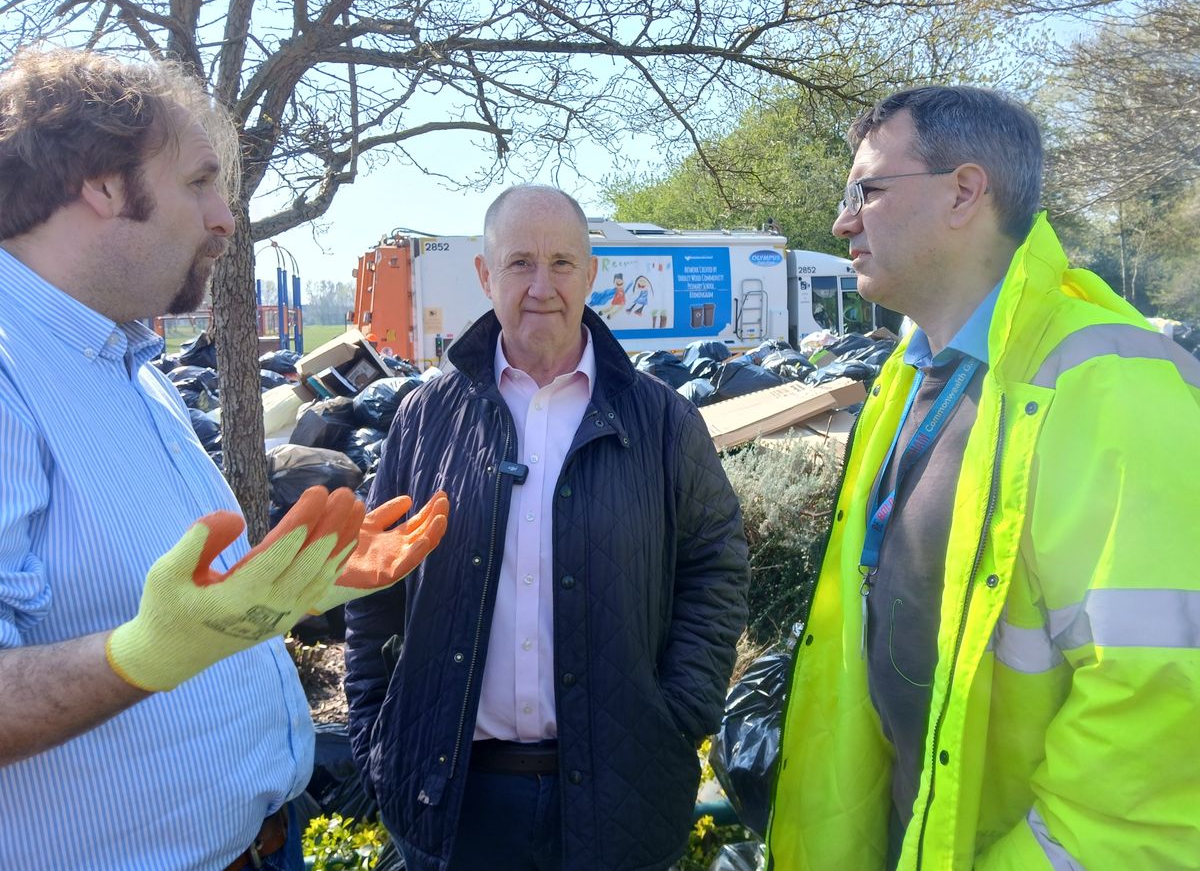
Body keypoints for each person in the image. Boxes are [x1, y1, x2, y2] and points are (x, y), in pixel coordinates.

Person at [0, 47, 448, 870]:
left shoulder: (130, 365)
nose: (225, 219)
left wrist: (276, 595)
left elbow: (163, 596)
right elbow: (152, 635)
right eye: (200, 182)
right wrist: (142, 655)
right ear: (102, 185)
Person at [766, 85, 1200, 869]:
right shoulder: (908, 377)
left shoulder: (1111, 384)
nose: (842, 223)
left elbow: (1161, 728)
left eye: (865, 191)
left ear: (965, 192)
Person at [344, 184, 749, 871]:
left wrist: (678, 714)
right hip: (453, 798)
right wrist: (375, 724)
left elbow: (716, 566)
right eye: (520, 263)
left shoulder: (660, 420)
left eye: (562, 263)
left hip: (619, 796)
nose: (542, 286)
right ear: (485, 275)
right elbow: (372, 578)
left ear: (591, 274)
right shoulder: (425, 418)